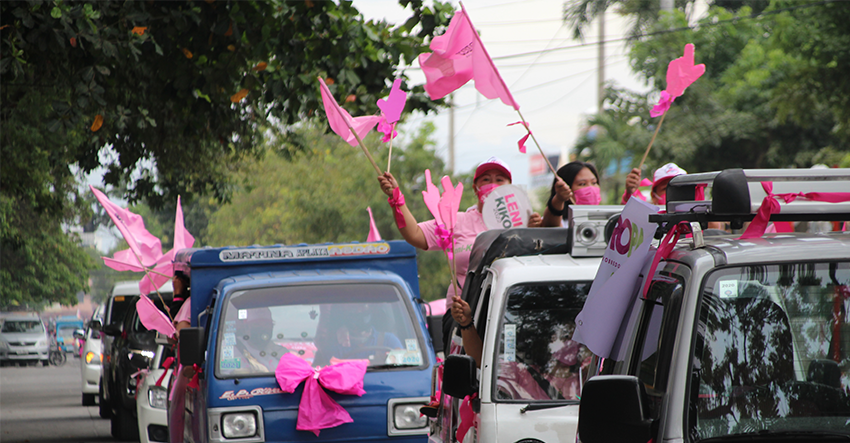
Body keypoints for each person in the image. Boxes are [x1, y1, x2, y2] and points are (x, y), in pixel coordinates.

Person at [377, 156, 539, 308]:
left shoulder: (524, 222)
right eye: (486, 180)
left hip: (507, 310)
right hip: (461, 314)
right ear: (475, 189)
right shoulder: (455, 220)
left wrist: (533, 232)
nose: (493, 184)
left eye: (499, 180)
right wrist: (396, 198)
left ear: (510, 187)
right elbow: (415, 234)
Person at [314, 307, 402, 365]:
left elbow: (404, 365)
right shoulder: (334, 345)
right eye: (355, 309)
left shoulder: (388, 341)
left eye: (364, 308)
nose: (360, 311)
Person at [536, 161, 602, 228]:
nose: (591, 188)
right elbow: (552, 226)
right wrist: (559, 199)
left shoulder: (608, 221)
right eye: (582, 184)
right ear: (567, 187)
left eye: (594, 183)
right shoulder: (563, 222)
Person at [623, 162, 687, 206]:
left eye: (679, 187)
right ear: (653, 196)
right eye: (666, 188)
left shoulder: (696, 218)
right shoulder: (648, 221)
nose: (674, 193)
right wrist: (629, 194)